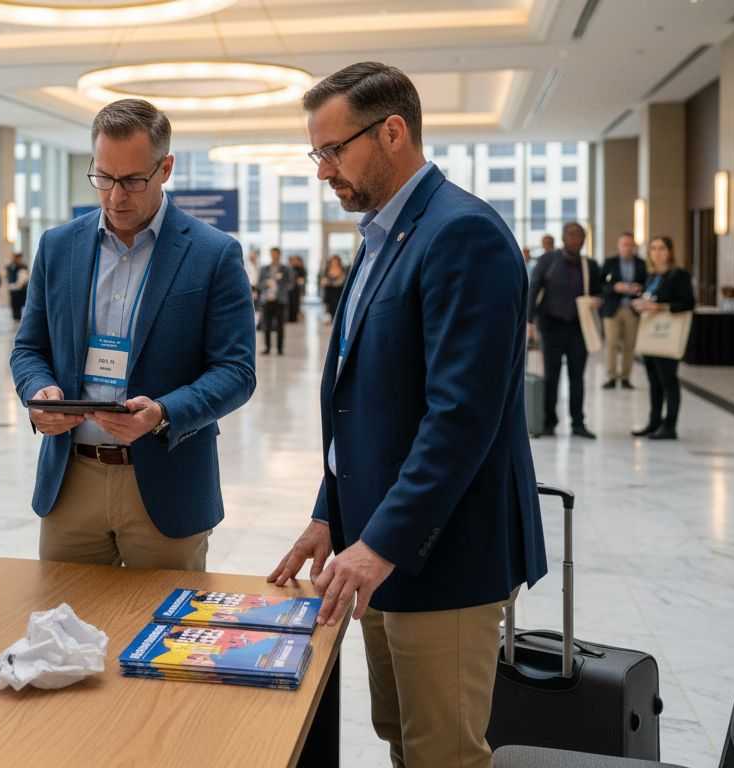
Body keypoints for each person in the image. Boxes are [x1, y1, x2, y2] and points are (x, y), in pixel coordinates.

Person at [269, 62, 546, 768]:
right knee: (400, 738)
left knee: (442, 753)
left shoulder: (463, 234)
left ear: (393, 132)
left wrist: (380, 542)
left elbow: (460, 418)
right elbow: (366, 405)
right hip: (377, 548)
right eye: (317, 153)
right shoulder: (379, 235)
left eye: (335, 150)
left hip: (443, 553)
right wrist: (331, 514)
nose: (324, 170)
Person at [10, 98, 256, 571]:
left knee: (159, 637)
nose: (115, 196)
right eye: (103, 177)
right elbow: (29, 347)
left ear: (166, 168)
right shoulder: (58, 246)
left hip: (167, 482)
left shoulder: (213, 253)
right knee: (65, 633)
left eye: (132, 181)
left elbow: (236, 371)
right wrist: (37, 391)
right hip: (71, 480)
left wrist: (164, 412)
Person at [528, 221, 603, 438]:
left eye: (580, 237)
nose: (576, 240)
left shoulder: (589, 265)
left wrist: (597, 300)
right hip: (551, 326)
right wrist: (529, 322)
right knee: (551, 376)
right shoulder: (548, 261)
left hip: (579, 328)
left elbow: (600, 292)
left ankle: (578, 423)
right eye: (572, 236)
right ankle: (549, 421)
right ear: (563, 238)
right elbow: (534, 289)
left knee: (577, 376)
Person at [632, 235, 695, 441]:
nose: (657, 253)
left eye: (661, 248)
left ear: (669, 252)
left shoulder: (678, 275)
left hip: (667, 334)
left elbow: (688, 303)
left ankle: (670, 425)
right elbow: (649, 298)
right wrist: (640, 304)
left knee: (668, 380)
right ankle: (654, 421)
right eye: (653, 248)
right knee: (654, 381)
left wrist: (660, 307)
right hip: (651, 335)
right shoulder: (650, 276)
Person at [600, 231, 647, 390]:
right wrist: (614, 287)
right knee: (611, 343)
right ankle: (611, 376)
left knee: (629, 344)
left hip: (632, 309)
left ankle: (625, 377)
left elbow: (647, 284)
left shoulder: (641, 264)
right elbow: (601, 286)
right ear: (618, 246)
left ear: (634, 246)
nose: (627, 247)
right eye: (624, 244)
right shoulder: (609, 262)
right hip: (613, 308)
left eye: (630, 244)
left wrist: (639, 288)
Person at [257, 248, 291, 355]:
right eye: (272, 254)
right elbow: (259, 283)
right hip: (267, 300)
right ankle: (267, 348)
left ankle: (280, 348)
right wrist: (266, 284)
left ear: (279, 255)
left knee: (280, 325)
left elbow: (290, 284)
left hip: (280, 300)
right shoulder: (265, 268)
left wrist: (280, 287)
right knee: (266, 324)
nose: (274, 256)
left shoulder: (285, 269)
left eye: (276, 254)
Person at [318, 254, 346, 324]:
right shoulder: (327, 269)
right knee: (329, 305)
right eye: (333, 261)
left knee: (337, 305)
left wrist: (330, 281)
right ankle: (330, 318)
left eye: (336, 261)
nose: (334, 263)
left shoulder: (342, 269)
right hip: (329, 291)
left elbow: (342, 281)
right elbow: (323, 280)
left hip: (338, 290)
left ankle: (336, 319)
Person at [7, 251, 30, 326]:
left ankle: (23, 319)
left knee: (23, 305)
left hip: (22, 290)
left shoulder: (24, 266)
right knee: (15, 305)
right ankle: (16, 319)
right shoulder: (11, 267)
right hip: (14, 290)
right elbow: (9, 277)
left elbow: (27, 276)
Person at [287, 254, 307, 323]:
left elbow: (302, 281)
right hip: (290, 290)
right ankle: (289, 318)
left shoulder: (301, 269)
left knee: (296, 304)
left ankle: (294, 318)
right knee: (289, 304)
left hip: (297, 290)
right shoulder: (289, 269)